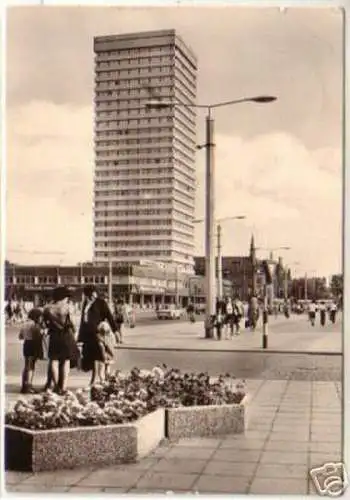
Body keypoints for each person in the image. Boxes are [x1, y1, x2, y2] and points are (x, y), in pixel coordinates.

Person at [78, 285, 118, 387]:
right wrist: (80, 337)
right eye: (90, 294)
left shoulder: (101, 303)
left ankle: (100, 379)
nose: (92, 296)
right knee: (91, 358)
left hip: (98, 334)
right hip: (88, 335)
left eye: (93, 293)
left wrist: (115, 330)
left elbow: (109, 316)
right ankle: (95, 379)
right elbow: (83, 320)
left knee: (100, 356)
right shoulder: (85, 304)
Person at [43, 286, 80, 395]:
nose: (67, 299)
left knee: (54, 360)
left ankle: (56, 386)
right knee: (65, 361)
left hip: (54, 335)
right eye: (67, 297)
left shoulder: (47, 308)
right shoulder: (68, 307)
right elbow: (73, 323)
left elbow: (44, 323)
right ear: (64, 297)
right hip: (66, 335)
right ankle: (63, 387)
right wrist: (75, 334)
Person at [18, 308, 45, 394]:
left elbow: (20, 336)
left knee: (26, 366)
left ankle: (24, 385)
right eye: (40, 317)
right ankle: (29, 385)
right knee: (31, 366)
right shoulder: (34, 325)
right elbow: (37, 336)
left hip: (26, 344)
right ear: (36, 317)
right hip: (33, 345)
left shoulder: (24, 324)